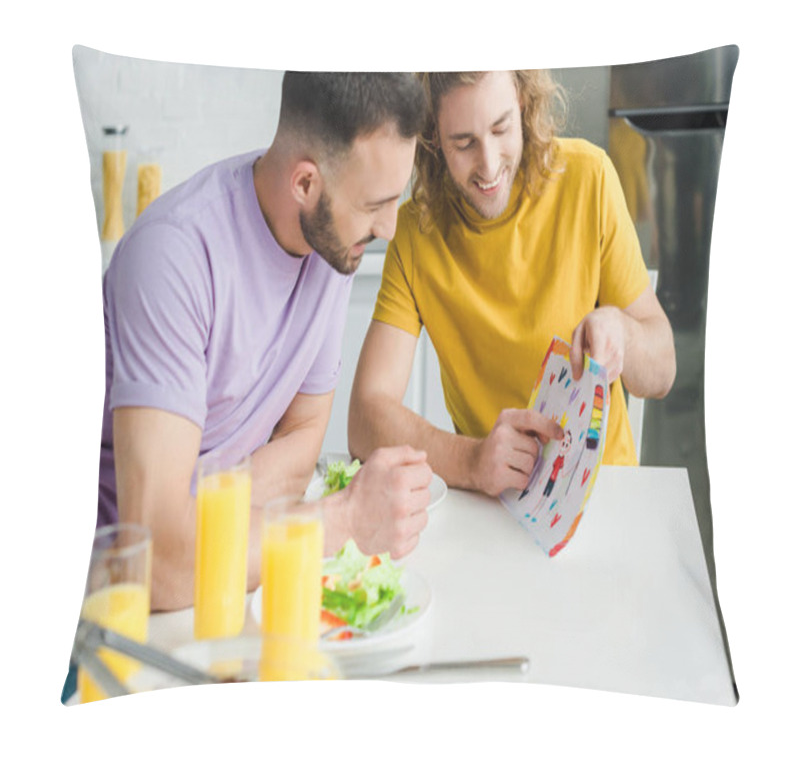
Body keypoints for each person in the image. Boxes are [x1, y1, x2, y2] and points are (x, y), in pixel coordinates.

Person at [98, 72, 432, 612]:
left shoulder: (333, 244)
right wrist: (345, 519)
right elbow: (155, 562)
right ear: (305, 183)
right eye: (376, 205)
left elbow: (302, 441)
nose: (391, 228)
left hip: (234, 585)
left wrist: (199, 525)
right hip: (119, 613)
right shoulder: (173, 258)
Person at [348, 70, 676, 498]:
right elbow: (364, 418)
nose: (488, 165)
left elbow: (663, 371)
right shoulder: (415, 232)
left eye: (501, 128)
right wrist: (471, 459)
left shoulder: (588, 178)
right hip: (493, 502)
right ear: (432, 136)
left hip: (603, 495)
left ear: (522, 101)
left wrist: (623, 333)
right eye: (463, 143)